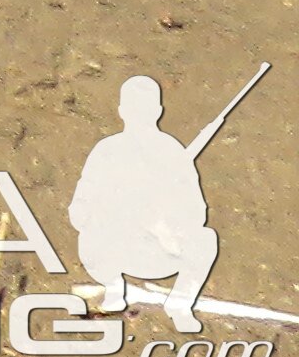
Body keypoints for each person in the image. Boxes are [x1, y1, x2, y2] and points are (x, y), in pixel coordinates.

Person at [68, 75, 222, 334]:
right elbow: (79, 210)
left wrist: (168, 223)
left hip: (160, 252)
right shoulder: (106, 151)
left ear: (157, 112)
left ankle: (180, 304)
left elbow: (197, 211)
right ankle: (114, 287)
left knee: (205, 240)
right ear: (122, 112)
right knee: (92, 234)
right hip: (112, 249)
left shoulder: (173, 153)